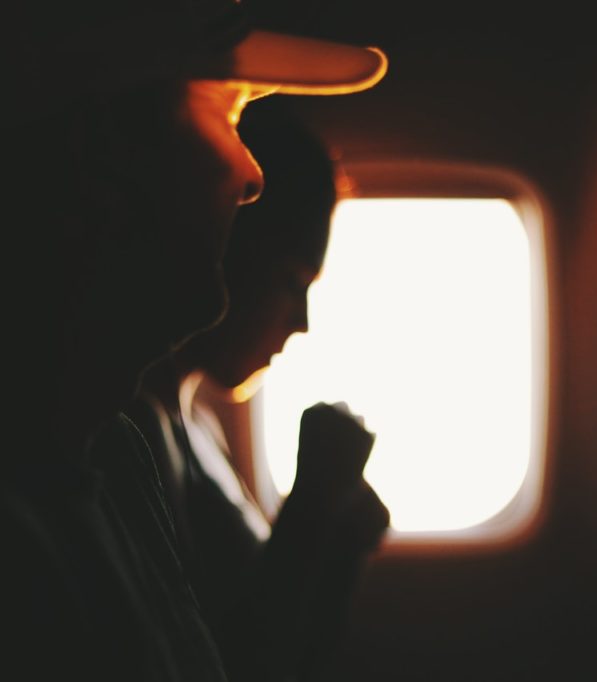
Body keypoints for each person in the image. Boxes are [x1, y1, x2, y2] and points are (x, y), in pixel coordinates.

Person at [1, 1, 388, 679]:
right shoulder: (35, 533)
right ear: (102, 152)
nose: (251, 176)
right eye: (223, 115)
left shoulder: (115, 457)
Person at [127, 97, 391, 682]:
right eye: (292, 280)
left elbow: (282, 649)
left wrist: (339, 545)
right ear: (233, 250)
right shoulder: (137, 434)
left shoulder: (199, 426)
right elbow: (229, 664)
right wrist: (311, 507)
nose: (301, 322)